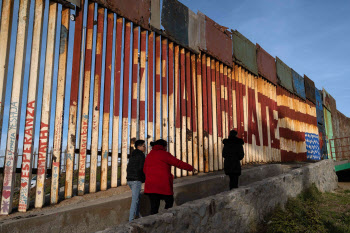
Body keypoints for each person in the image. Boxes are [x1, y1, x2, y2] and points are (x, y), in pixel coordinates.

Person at [143, 139, 196, 215]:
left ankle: (154, 224)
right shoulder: (165, 154)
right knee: (169, 202)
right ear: (163, 146)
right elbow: (178, 163)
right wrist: (191, 168)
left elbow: (145, 170)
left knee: (154, 208)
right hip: (163, 185)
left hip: (151, 186)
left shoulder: (149, 155)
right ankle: (165, 219)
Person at [126, 140, 146, 222]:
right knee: (135, 199)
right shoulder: (141, 155)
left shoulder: (132, 155)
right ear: (139, 147)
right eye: (143, 146)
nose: (145, 148)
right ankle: (131, 219)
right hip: (136, 180)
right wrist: (143, 178)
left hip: (129, 179)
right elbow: (142, 168)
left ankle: (137, 215)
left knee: (137, 197)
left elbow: (128, 168)